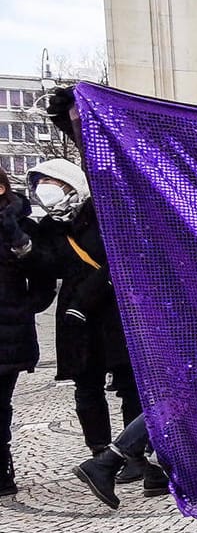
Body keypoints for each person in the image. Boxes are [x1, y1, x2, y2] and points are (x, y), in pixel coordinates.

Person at [34, 158, 152, 508]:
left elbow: (118, 259)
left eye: (55, 183)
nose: (49, 190)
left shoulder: (104, 213)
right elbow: (45, 267)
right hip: (76, 319)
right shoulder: (50, 229)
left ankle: (135, 457)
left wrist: (86, 299)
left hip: (114, 311)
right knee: (87, 387)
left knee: (131, 384)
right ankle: (101, 451)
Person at [0, 171, 55, 496]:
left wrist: (25, 308)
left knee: (0, 404)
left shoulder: (21, 226)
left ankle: (3, 469)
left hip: (8, 332)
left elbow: (45, 273)